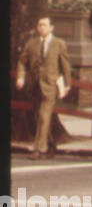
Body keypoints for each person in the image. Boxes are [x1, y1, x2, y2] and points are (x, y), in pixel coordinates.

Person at [16, 16, 73, 158]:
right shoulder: (31, 43)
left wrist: (67, 84)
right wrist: (21, 77)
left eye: (44, 25)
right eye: (39, 24)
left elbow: (65, 65)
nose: (41, 27)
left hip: (50, 85)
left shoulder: (59, 43)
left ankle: (39, 149)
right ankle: (51, 145)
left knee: (44, 115)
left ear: (51, 27)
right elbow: (22, 62)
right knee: (38, 117)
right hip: (34, 85)